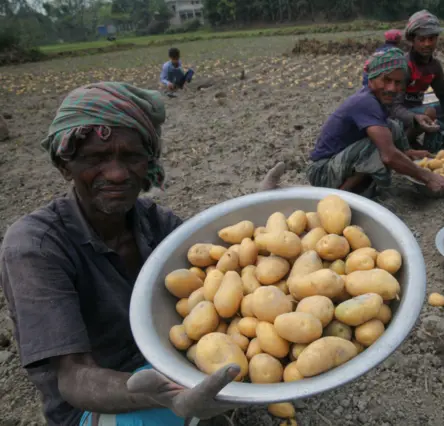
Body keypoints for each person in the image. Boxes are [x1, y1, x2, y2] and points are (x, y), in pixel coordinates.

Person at [0, 82, 284, 426]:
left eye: (131, 157)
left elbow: (220, 261)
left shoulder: (154, 221)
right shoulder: (36, 247)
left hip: (170, 363)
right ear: (65, 167)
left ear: (148, 161)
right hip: (99, 399)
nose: (118, 173)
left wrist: (261, 217)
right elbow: (72, 376)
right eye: (96, 158)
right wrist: (157, 395)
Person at [307, 48, 444, 198]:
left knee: (391, 126)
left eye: (398, 82)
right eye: (386, 80)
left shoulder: (378, 99)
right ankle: (343, 195)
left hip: (339, 163)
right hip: (322, 172)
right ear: (371, 79)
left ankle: (356, 186)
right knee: (379, 147)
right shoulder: (365, 102)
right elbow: (388, 155)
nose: (392, 88)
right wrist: (427, 177)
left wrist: (408, 153)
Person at [390, 10, 444, 152]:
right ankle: (402, 146)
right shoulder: (405, 65)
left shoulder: (434, 66)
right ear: (413, 40)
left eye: (431, 39)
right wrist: (416, 117)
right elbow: (394, 107)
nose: (427, 44)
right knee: (430, 113)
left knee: (443, 116)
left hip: (417, 113)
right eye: (422, 39)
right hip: (396, 119)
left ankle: (430, 153)